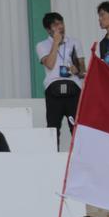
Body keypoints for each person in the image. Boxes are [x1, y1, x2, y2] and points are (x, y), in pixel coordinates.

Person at [38, 12, 85, 148]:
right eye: (55, 24)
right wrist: (56, 43)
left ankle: (80, 158)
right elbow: (50, 64)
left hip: (74, 87)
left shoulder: (75, 42)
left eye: (61, 23)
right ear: (48, 29)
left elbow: (83, 69)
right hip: (53, 88)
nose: (60, 27)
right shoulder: (42, 45)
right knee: (53, 128)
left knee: (77, 127)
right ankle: (53, 160)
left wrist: (77, 68)